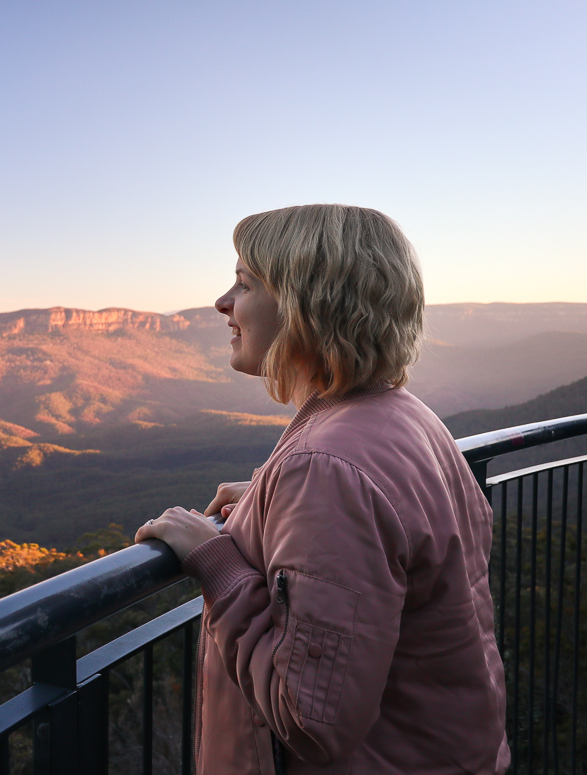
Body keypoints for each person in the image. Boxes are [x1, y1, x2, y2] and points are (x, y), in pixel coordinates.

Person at [136, 205, 508, 774]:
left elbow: (310, 718)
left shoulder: (329, 467)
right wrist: (269, 499)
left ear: (308, 304)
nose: (222, 303)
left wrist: (215, 562)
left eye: (244, 282)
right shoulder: (405, 415)